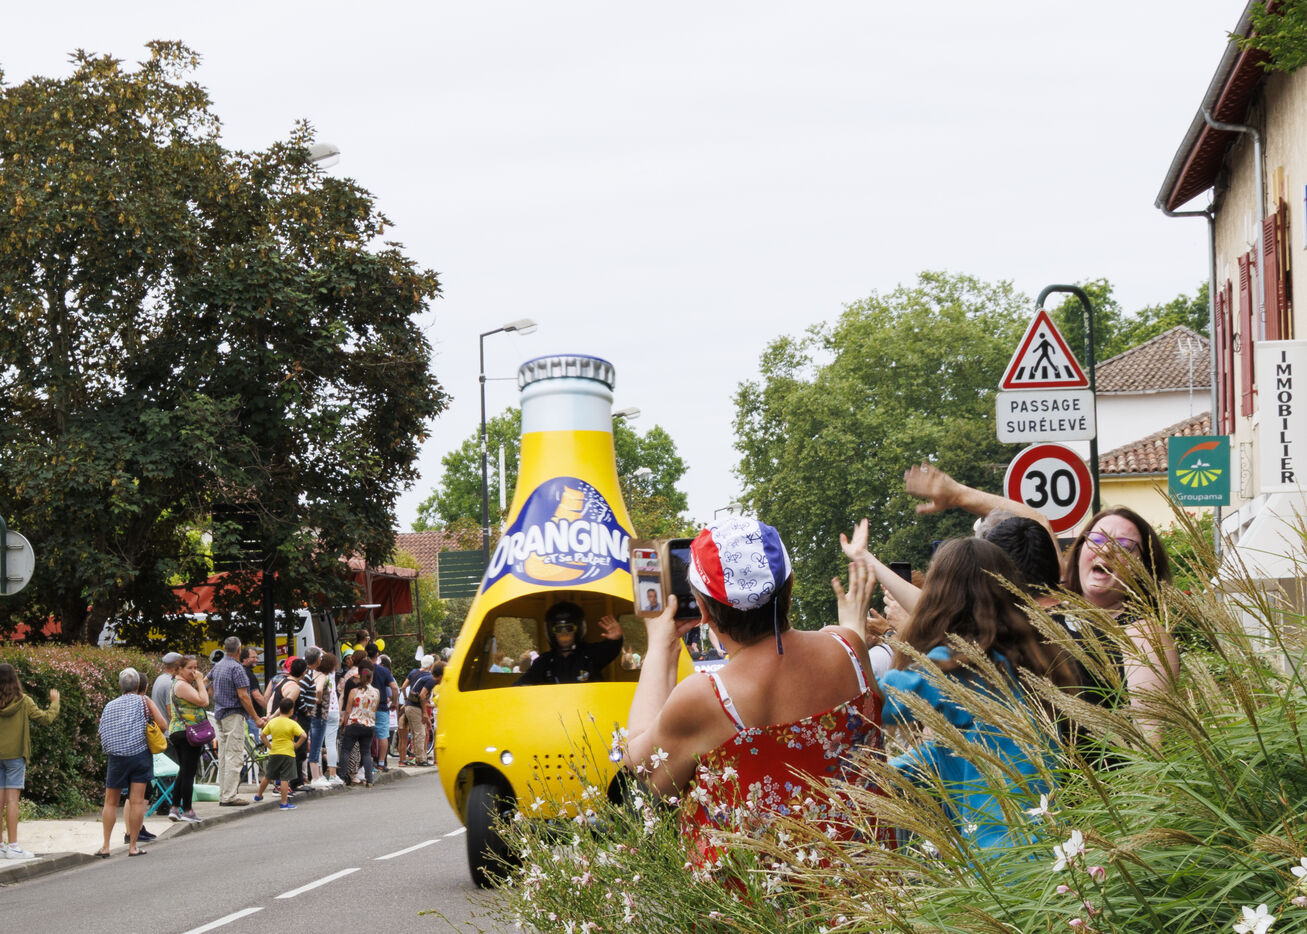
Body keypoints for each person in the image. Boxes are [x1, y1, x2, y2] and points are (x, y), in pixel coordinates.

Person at [623, 517, 888, 864]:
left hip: (758, 898)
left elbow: (643, 772)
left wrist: (660, 644)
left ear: (703, 610)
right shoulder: (849, 648)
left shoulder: (709, 697)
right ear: (789, 586)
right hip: (868, 885)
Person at [874, 537, 1072, 851]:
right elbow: (966, 746)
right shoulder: (1033, 659)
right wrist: (892, 773)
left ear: (939, 596)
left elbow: (878, 702)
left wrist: (849, 634)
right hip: (1053, 844)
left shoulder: (962, 667)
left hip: (1001, 853)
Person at [1063, 506, 1179, 724]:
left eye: (1124, 546)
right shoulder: (1050, 610)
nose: (1106, 549)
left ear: (1143, 567)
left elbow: (1150, 736)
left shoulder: (1145, 636)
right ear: (1079, 552)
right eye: (1096, 539)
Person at [97, 668, 168, 857]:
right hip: (139, 756)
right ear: (138, 685)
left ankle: (105, 846)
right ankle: (133, 846)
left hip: (116, 758)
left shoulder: (110, 705)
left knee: (110, 803)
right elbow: (163, 725)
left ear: (119, 685)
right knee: (137, 802)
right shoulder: (144, 701)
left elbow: (102, 730)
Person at [0, 664, 59, 860]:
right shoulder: (23, 701)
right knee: (12, 801)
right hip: (16, 755)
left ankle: (0, 846)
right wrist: (55, 703)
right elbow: (45, 719)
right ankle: (13, 846)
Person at [210, 637, 265, 806]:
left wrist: (216, 699)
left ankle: (224, 793)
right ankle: (229, 796)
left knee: (224, 756)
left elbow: (206, 683)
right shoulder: (237, 668)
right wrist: (256, 717)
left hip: (220, 713)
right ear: (239, 650)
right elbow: (243, 696)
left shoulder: (218, 665)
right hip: (233, 714)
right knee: (234, 755)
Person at [515, 601, 624, 685]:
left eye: (569, 628)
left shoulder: (589, 655)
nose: (564, 633)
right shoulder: (544, 661)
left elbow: (609, 650)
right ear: (551, 632)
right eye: (559, 629)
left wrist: (615, 640)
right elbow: (521, 685)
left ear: (577, 630)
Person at [164, 655, 209, 823]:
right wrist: (199, 681)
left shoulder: (179, 683)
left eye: (195, 668)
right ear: (180, 669)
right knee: (189, 772)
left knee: (183, 771)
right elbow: (204, 701)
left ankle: (175, 808)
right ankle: (188, 810)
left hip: (180, 731)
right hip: (188, 732)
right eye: (190, 668)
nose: (194, 671)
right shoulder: (181, 685)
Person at [256, 697, 307, 810]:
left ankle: (258, 795)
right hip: (288, 753)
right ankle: (284, 803)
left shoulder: (273, 722)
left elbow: (263, 735)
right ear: (291, 710)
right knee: (285, 778)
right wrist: (296, 745)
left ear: (280, 708)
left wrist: (269, 746)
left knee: (268, 776)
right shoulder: (292, 723)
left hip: (275, 752)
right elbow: (303, 735)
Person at [340, 659, 379, 787]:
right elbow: (374, 709)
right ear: (371, 678)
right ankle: (369, 780)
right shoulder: (376, 692)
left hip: (354, 723)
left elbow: (348, 710)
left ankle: (342, 777)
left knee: (346, 750)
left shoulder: (354, 691)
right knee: (366, 752)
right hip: (369, 725)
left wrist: (345, 724)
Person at [398, 655, 437, 767]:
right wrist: (425, 712)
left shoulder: (414, 672)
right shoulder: (429, 677)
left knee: (411, 734)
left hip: (408, 706)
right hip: (417, 707)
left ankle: (410, 758)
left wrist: (406, 699)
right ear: (431, 665)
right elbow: (422, 696)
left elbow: (403, 686)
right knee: (420, 733)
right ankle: (421, 759)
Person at [367, 646, 397, 771]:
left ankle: (367, 762)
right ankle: (380, 763)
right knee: (383, 735)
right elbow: (394, 687)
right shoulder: (384, 670)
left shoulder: (364, 670)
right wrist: (395, 702)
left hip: (366, 707)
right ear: (377, 655)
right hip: (381, 706)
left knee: (367, 735)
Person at [318, 653, 345, 787]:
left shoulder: (319, 675)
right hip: (334, 710)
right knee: (331, 743)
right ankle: (333, 774)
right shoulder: (332, 674)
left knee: (317, 743)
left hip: (322, 710)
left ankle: (318, 774)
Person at [238, 647, 266, 745]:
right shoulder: (248, 674)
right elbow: (257, 696)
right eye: (253, 657)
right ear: (245, 659)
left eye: (257, 657)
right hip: (251, 717)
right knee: (254, 746)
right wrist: (271, 708)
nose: (256, 660)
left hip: (243, 716)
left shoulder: (239, 671)